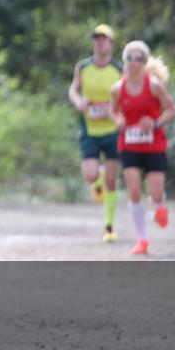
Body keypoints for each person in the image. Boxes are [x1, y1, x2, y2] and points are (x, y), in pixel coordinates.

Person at [110, 40, 175, 256]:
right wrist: (117, 120)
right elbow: (112, 112)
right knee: (134, 191)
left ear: (145, 62)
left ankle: (159, 207)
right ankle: (142, 240)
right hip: (129, 145)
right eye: (129, 57)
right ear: (124, 61)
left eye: (137, 58)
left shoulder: (154, 86)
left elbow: (172, 109)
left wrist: (156, 122)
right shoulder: (117, 89)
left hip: (154, 145)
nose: (132, 61)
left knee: (156, 194)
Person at [68, 24, 122, 241]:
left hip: (112, 130)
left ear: (112, 43)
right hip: (89, 129)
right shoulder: (83, 67)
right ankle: (96, 178)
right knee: (90, 176)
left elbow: (127, 94)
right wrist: (78, 101)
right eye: (97, 39)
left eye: (104, 38)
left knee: (112, 179)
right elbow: (73, 88)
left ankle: (109, 226)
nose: (100, 42)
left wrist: (114, 110)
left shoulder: (119, 69)